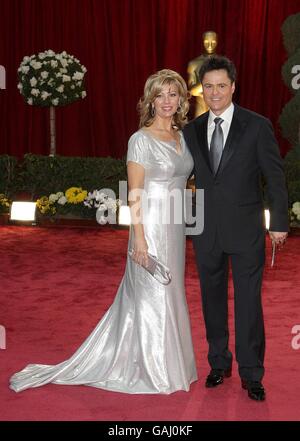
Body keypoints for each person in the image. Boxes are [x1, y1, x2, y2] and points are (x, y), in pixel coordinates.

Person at [9, 69, 197, 394]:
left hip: (175, 225)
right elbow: (134, 193)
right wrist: (138, 238)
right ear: (150, 101)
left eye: (173, 94)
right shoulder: (141, 140)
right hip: (150, 225)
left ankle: (172, 365)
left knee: (172, 291)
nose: (167, 101)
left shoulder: (182, 137)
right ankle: (151, 369)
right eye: (160, 94)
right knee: (150, 295)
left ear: (181, 99)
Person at [183, 55, 288, 401]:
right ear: (202, 88)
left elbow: (274, 177)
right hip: (205, 232)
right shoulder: (191, 130)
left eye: (221, 86)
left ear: (233, 87)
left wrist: (279, 223)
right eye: (208, 86)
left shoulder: (256, 125)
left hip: (246, 231)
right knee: (211, 301)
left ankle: (251, 372)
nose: (214, 93)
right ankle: (218, 363)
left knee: (248, 302)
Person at [187, 31, 218, 117]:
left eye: (213, 42)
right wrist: (208, 82)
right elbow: (191, 91)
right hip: (201, 106)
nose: (210, 45)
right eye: (206, 42)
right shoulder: (194, 63)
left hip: (218, 106)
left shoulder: (223, 63)